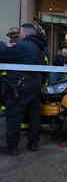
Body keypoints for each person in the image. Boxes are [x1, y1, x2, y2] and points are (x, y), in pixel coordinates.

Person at [0, 23, 47, 155]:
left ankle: (12, 147)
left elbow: (2, 53)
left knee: (14, 116)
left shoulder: (24, 45)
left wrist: (3, 45)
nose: (19, 36)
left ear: (25, 34)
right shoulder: (40, 47)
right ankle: (33, 144)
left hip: (20, 86)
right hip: (35, 85)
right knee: (33, 116)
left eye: (20, 34)